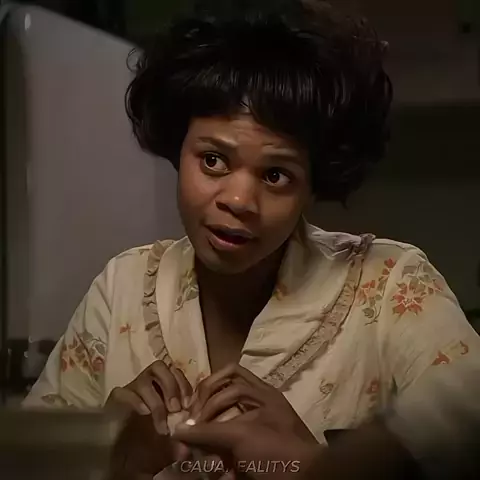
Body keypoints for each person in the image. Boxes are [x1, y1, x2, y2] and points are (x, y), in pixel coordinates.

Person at [23, 1, 480, 478]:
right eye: (213, 161)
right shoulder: (122, 287)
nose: (239, 200)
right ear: (178, 150)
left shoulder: (389, 285)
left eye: (276, 175)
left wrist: (314, 465)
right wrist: (101, 450)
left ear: (314, 184)